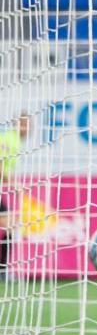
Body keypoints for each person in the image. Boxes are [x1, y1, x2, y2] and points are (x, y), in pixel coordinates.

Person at [0, 113, 30, 278]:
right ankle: (3, 270)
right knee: (9, 225)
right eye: (24, 123)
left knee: (9, 226)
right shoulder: (9, 140)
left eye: (29, 124)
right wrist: (14, 185)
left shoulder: (15, 141)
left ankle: (3, 269)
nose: (27, 128)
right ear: (16, 124)